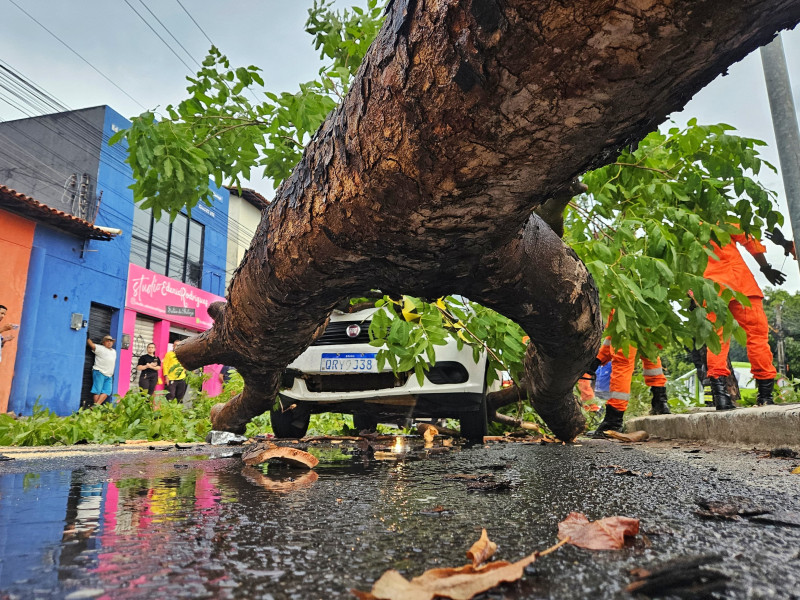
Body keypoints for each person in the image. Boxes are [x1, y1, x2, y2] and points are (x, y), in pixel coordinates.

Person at [702, 226, 789, 409]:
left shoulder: (684, 225)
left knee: (716, 339)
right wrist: (765, 268)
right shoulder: (720, 218)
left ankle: (721, 399)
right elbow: (751, 241)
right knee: (757, 338)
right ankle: (765, 397)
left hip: (711, 289)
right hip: (741, 284)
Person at [589, 312, 670, 437]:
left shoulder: (617, 298)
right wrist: (599, 359)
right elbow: (612, 338)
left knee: (622, 361)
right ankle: (660, 402)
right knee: (650, 353)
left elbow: (615, 332)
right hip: (650, 315)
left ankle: (613, 422)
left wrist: (599, 358)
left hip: (626, 321)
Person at [86, 334, 117, 406]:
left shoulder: (114, 351)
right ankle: (97, 409)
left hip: (109, 375)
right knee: (97, 391)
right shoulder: (101, 348)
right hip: (99, 372)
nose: (109, 342)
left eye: (111, 341)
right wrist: (87, 338)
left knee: (107, 392)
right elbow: (92, 345)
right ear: (103, 343)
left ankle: (96, 407)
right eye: (107, 341)